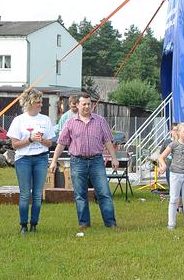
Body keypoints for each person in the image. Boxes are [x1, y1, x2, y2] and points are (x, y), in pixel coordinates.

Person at [50, 93, 119, 229]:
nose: (87, 107)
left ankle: (111, 223)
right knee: (80, 194)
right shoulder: (70, 122)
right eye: (84, 104)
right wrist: (53, 161)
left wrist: (114, 158)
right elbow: (61, 143)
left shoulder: (100, 121)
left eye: (89, 104)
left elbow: (107, 141)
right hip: (77, 161)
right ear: (77, 105)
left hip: (96, 162)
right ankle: (84, 223)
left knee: (104, 192)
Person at [7, 88, 55, 234]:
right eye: (37, 102)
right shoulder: (19, 120)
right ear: (29, 103)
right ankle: (23, 225)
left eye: (41, 102)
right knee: (25, 194)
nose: (41, 105)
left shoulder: (45, 120)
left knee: (38, 194)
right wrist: (30, 139)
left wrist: (42, 140)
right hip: (23, 160)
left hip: (41, 158)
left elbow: (50, 143)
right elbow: (15, 145)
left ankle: (34, 224)